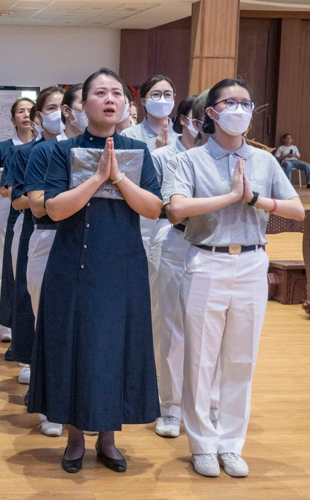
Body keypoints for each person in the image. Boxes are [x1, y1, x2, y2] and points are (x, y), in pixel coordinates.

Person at [167, 78, 305, 478]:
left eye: (246, 103)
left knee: (240, 358)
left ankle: (231, 443)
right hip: (206, 261)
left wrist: (255, 199)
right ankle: (202, 444)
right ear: (211, 112)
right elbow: (177, 210)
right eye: (230, 103)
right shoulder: (188, 161)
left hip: (250, 263)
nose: (240, 110)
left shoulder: (264, 161)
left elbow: (296, 209)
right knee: (201, 357)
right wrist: (230, 196)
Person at [28, 68, 162, 474]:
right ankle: (73, 437)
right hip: (72, 264)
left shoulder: (138, 153)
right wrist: (97, 178)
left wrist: (118, 176)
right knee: (72, 347)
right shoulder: (59, 152)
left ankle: (108, 438)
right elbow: (53, 208)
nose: (109, 99)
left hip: (122, 266)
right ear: (82, 105)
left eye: (116, 93)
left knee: (114, 350)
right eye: (99, 93)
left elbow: (154, 208)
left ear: (125, 105)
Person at [23, 84, 85, 437]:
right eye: (79, 103)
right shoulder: (46, 151)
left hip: (92, 242)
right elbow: (37, 203)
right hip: (50, 238)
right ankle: (52, 405)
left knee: (86, 328)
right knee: (51, 326)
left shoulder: (107, 152)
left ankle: (82, 405)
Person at [148, 94, 200, 438]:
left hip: (210, 246)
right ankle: (168, 407)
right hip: (172, 241)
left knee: (204, 331)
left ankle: (202, 405)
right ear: (185, 119)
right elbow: (161, 207)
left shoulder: (223, 157)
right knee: (168, 327)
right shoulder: (164, 157)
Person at [10, 86, 65, 388]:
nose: (59, 113)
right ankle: (33, 362)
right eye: (52, 107)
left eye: (63, 106)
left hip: (72, 235)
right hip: (37, 229)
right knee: (34, 301)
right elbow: (24, 200)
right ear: (39, 117)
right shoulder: (32, 153)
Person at [0, 97, 35, 332]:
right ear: (13, 119)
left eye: (30, 111)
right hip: (6, 207)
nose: (26, 115)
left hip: (32, 209)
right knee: (3, 261)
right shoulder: (3, 147)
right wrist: (6, 187)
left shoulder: (43, 146)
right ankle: (1, 314)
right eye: (21, 111)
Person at [0, 105, 41, 346]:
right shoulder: (17, 151)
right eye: (21, 111)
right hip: (22, 217)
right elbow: (8, 191)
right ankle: (7, 322)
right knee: (14, 276)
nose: (25, 116)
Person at [122, 75, 179, 255]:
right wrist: (157, 155)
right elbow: (125, 178)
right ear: (144, 101)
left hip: (173, 214)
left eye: (167, 94)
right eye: (156, 94)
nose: (163, 99)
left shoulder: (183, 136)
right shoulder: (128, 135)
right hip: (140, 213)